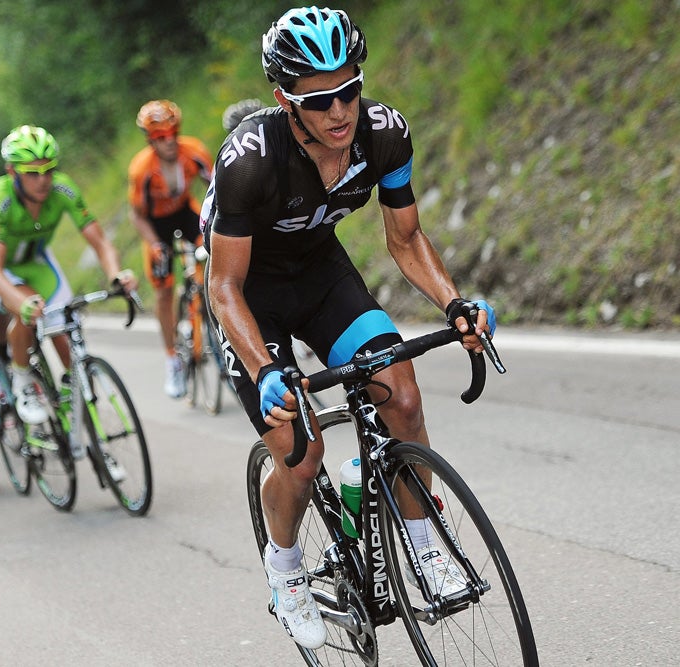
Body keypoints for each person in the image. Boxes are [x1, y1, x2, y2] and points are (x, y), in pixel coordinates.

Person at [203, 7, 495, 650]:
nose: (341, 110)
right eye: (320, 98)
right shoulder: (250, 160)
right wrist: (265, 369)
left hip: (320, 273)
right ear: (286, 100)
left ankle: (424, 550)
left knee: (404, 398)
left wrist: (455, 305)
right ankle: (285, 573)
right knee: (301, 454)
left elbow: (407, 237)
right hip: (250, 295)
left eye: (350, 89)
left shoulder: (384, 135)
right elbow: (223, 286)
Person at [0, 125, 137, 437]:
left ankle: (72, 400)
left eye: (49, 171)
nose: (43, 180)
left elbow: (101, 242)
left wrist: (115, 274)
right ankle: (22, 378)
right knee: (28, 312)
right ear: (12, 172)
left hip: (36, 260)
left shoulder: (62, 189)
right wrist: (21, 304)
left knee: (63, 329)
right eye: (32, 173)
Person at [128, 100, 214, 398]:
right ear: (150, 140)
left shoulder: (194, 151)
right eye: (160, 137)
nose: (169, 142)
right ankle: (171, 359)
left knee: (217, 249)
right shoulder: (142, 170)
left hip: (184, 211)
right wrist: (154, 244)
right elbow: (137, 215)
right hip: (155, 225)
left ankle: (209, 305)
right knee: (164, 288)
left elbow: (217, 188)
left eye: (173, 133)